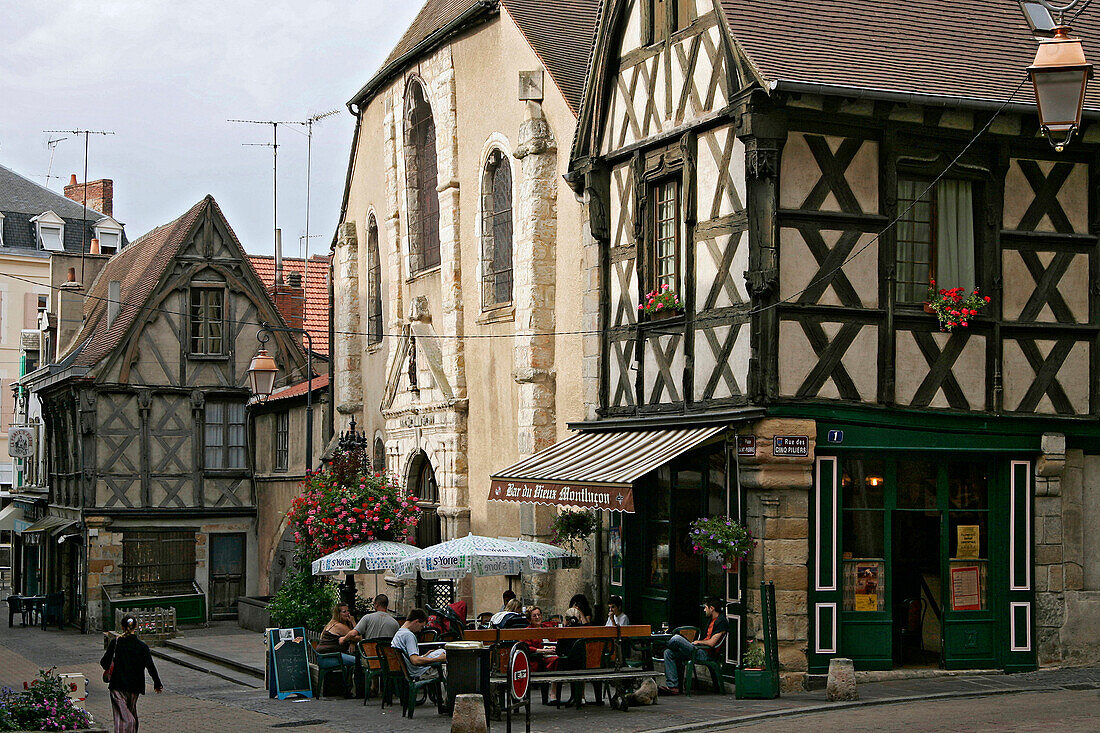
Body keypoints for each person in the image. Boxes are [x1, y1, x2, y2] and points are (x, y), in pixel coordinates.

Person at [100, 614, 163, 733]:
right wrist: (157, 683)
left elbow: (104, 663)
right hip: (135, 686)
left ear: (122, 627)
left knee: (123, 717)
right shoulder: (142, 646)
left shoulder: (116, 643)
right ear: (136, 627)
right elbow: (150, 666)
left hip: (118, 685)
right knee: (130, 711)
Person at [658, 597, 728, 696]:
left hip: (705, 653)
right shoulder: (710, 620)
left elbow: (712, 643)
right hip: (698, 649)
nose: (704, 610)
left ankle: (661, 645)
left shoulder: (721, 622)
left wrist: (698, 642)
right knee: (668, 652)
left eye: (705, 607)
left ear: (711, 608)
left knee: (677, 638)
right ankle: (673, 686)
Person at [391, 608, 446, 679]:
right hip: (419, 672)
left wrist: (424, 656)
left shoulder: (398, 634)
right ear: (416, 622)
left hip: (410, 671)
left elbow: (410, 658)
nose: (420, 630)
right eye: (421, 626)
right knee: (448, 668)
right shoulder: (408, 635)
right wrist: (438, 659)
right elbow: (415, 660)